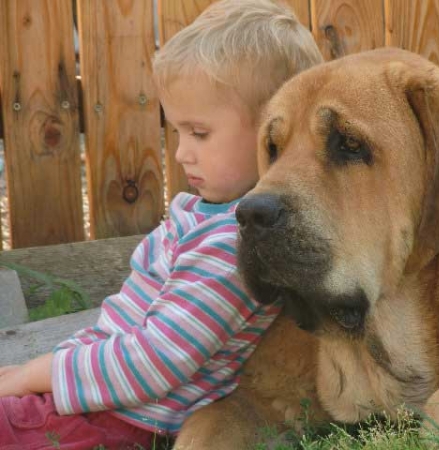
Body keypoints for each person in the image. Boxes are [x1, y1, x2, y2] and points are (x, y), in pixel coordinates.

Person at [0, 1, 323, 448]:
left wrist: (36, 373)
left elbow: (157, 362)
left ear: (274, 131)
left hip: (116, 418)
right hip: (93, 395)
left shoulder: (234, 243)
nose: (180, 153)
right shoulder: (209, 215)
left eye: (199, 133)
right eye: (176, 132)